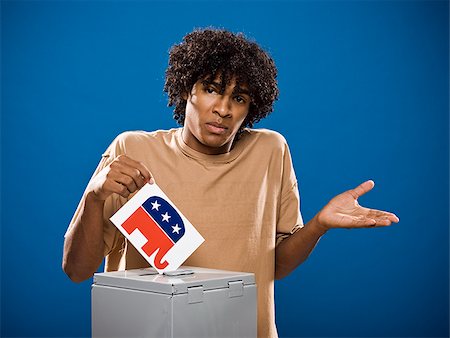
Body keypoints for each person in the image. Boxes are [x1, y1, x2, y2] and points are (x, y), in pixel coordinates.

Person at [63, 28, 399, 338]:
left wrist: (318, 226)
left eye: (239, 97)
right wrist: (94, 197)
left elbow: (275, 267)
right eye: (211, 90)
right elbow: (77, 271)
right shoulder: (132, 149)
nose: (223, 109)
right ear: (185, 90)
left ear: (252, 107)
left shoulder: (270, 150)